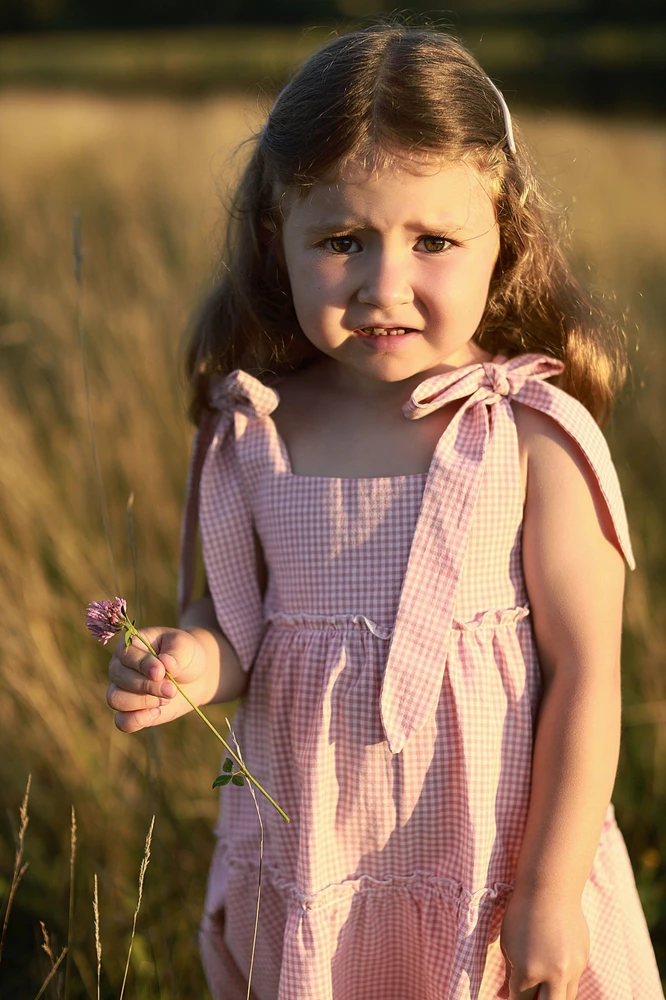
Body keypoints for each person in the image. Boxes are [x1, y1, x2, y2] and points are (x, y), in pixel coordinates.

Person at [106, 24, 664, 1000]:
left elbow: (586, 675)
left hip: (495, 872)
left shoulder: (532, 434)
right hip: (321, 863)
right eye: (342, 240)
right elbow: (235, 632)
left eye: (435, 241)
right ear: (277, 238)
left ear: (506, 237)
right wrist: (186, 660)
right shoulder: (255, 431)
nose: (384, 284)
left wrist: (550, 885)